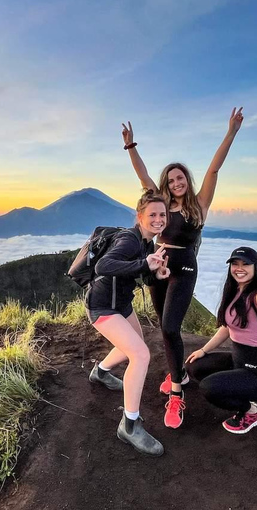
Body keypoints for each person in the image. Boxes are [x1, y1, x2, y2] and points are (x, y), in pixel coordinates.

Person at [121, 108, 244, 429]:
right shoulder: (160, 202)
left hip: (185, 268)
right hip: (158, 268)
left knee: (172, 328)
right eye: (171, 179)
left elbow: (215, 169)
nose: (176, 182)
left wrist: (230, 132)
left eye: (180, 178)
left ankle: (177, 393)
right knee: (164, 327)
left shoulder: (199, 204)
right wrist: (131, 147)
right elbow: (143, 178)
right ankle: (179, 372)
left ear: (187, 181)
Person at [184, 246, 257, 434]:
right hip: (238, 361)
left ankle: (251, 411)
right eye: (235, 264)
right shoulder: (234, 292)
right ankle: (236, 385)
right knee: (194, 366)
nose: (239, 268)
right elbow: (226, 328)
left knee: (209, 388)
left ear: (255, 267)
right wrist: (204, 350)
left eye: (245, 264)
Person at [87, 190, 171, 456]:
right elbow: (104, 266)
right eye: (152, 215)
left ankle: (100, 372)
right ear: (140, 216)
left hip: (120, 305)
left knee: (133, 346)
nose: (158, 219)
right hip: (102, 306)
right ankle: (130, 425)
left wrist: (156, 272)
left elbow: (139, 272)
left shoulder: (146, 242)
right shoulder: (129, 240)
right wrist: (145, 262)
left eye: (162, 215)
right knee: (140, 354)